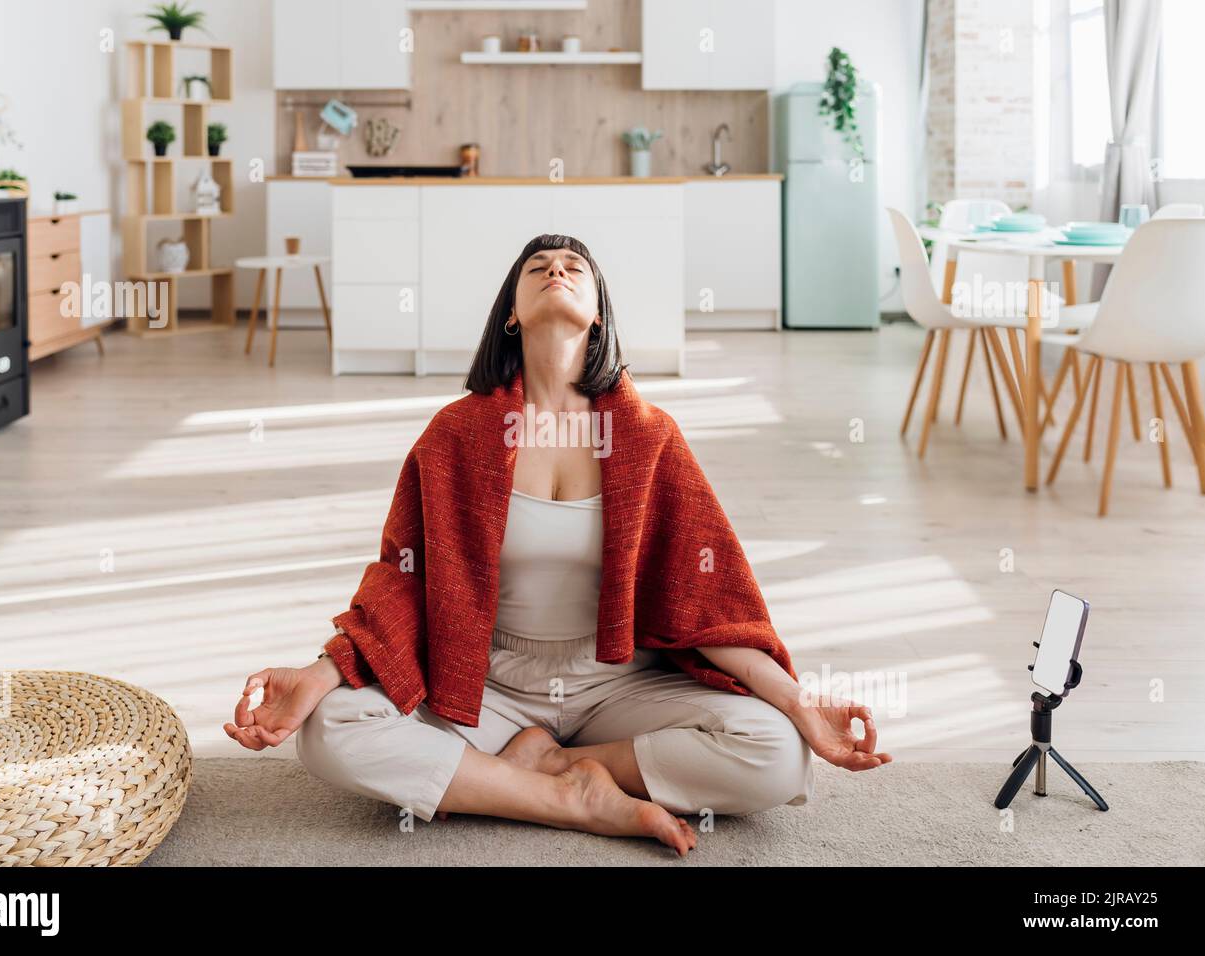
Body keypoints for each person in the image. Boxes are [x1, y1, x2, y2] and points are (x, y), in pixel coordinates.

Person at [225, 234, 891, 857]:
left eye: (575, 266)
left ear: (598, 315)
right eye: (537, 266)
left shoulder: (651, 436)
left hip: (619, 686)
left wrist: (801, 704)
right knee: (329, 729)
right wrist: (319, 675)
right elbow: (402, 583)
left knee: (776, 749)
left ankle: (559, 767)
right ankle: (568, 799)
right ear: (511, 314)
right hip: (487, 684)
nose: (557, 267)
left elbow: (703, 603)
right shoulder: (455, 435)